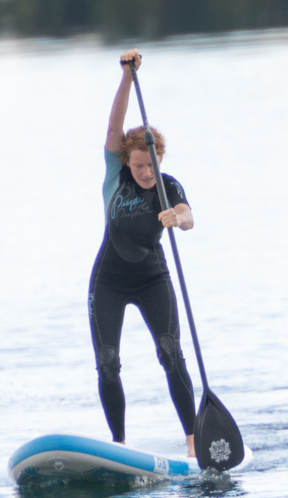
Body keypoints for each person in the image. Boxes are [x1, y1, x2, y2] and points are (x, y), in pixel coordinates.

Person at [89, 48, 196, 457]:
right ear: (126, 163)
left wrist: (178, 218)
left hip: (153, 278)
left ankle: (190, 442)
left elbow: (189, 217)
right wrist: (127, 79)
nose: (146, 173)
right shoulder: (115, 175)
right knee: (108, 361)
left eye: (150, 165)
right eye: (138, 167)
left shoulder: (169, 185)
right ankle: (118, 445)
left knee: (170, 353)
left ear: (159, 158)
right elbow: (115, 124)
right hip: (109, 280)